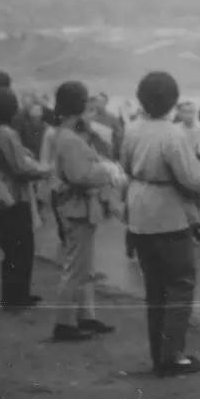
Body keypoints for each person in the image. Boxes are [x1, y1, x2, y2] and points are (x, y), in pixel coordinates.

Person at [120, 71, 200, 377]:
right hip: (167, 213)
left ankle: (159, 354)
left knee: (155, 287)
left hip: (138, 209)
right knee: (181, 283)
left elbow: (123, 165)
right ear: (172, 101)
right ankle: (172, 354)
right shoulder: (174, 135)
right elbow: (192, 180)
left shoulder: (132, 129)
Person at [47, 81, 122, 342]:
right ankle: (64, 323)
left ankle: (84, 316)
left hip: (77, 207)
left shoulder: (65, 134)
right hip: (77, 207)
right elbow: (80, 176)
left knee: (83, 266)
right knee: (75, 268)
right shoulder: (69, 139)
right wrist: (107, 171)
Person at [0, 87, 51, 311]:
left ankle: (14, 295)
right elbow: (20, 167)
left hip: (1, 191)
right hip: (14, 194)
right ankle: (17, 297)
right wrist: (46, 170)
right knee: (21, 247)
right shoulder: (6, 133)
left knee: (11, 247)